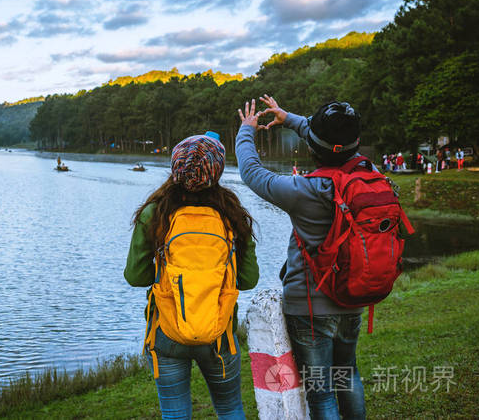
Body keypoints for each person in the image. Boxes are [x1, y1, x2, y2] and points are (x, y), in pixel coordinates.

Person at [236, 95, 367, 420]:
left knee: (321, 391)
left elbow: (251, 171)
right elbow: (333, 143)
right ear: (357, 143)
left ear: (313, 148)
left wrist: (246, 131)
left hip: (310, 306)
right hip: (354, 295)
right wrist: (290, 117)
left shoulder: (304, 190)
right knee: (348, 373)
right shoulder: (368, 175)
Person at [125, 131, 259, 419]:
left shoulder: (155, 213)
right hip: (219, 334)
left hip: (167, 333)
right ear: (218, 170)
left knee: (175, 415)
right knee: (231, 408)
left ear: (176, 168)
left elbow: (136, 277)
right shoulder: (232, 215)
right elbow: (248, 280)